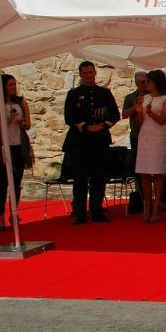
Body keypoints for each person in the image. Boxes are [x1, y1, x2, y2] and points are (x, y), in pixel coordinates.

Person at [63, 61, 119, 225]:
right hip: (80, 141)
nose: (88, 75)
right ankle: (80, 212)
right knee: (80, 178)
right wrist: (86, 126)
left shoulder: (105, 93)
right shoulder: (73, 94)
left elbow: (114, 115)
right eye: (85, 73)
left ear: (95, 73)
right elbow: (69, 117)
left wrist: (102, 126)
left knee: (99, 177)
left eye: (91, 72)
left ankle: (96, 210)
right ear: (80, 74)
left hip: (100, 140)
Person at [0, 74, 32, 231]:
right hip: (1, 147)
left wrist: (22, 123)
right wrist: (7, 121)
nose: (13, 87)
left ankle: (14, 213)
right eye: (10, 84)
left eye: (14, 84)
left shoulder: (20, 102)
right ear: (3, 86)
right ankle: (0, 215)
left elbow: (28, 124)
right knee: (2, 181)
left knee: (16, 183)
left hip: (18, 145)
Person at [134, 70, 166, 222]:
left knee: (157, 173)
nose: (146, 84)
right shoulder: (143, 98)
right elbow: (139, 122)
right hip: (145, 135)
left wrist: (151, 113)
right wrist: (139, 112)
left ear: (156, 82)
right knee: (144, 173)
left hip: (157, 137)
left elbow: (163, 119)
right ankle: (147, 206)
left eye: (148, 81)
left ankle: (156, 207)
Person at [122, 71, 148, 202]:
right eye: (142, 82)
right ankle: (141, 195)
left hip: (151, 136)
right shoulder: (130, 97)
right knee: (138, 167)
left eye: (147, 81)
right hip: (136, 135)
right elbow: (124, 114)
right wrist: (134, 107)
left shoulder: (152, 96)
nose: (145, 84)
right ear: (137, 83)